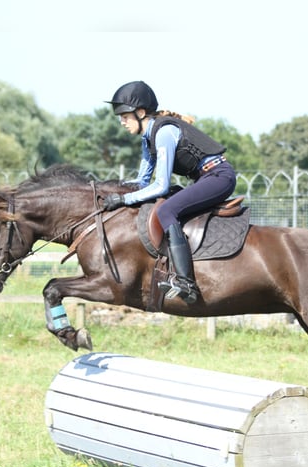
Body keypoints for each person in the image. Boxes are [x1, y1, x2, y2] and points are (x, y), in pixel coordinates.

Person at [101, 80, 237, 304]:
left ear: (141, 112)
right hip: (206, 178)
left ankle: (186, 283)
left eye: (125, 116)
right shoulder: (148, 138)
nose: (122, 122)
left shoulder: (164, 132)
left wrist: (123, 199)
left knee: (166, 211)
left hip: (219, 177)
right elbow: (142, 181)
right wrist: (111, 191)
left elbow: (160, 185)